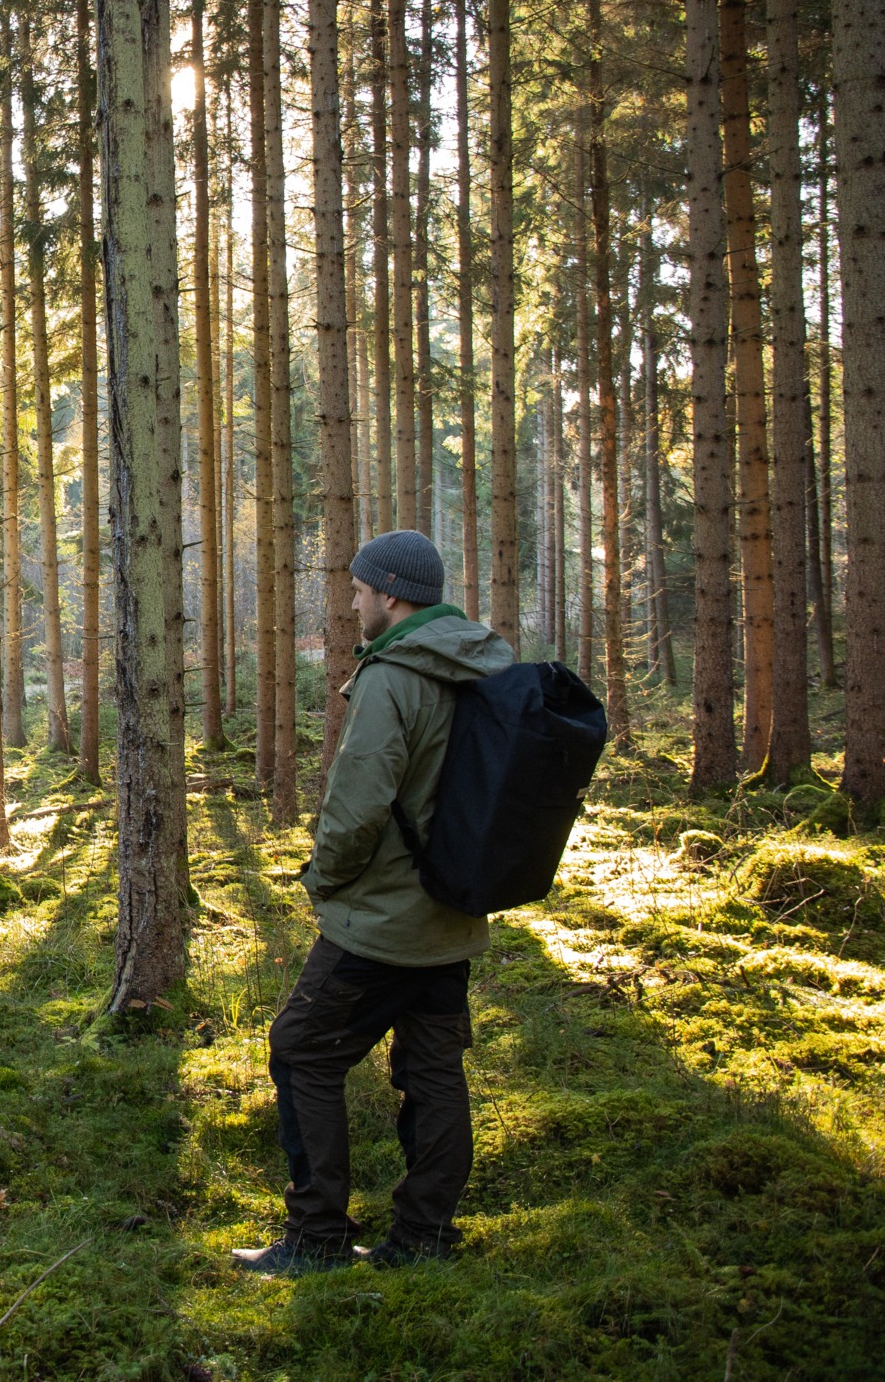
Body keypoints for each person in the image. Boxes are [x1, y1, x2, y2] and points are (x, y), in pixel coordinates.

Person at [231, 528, 512, 1276]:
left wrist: (323, 877)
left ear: (391, 592)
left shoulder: (395, 674)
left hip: (385, 919)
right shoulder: (476, 661)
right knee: (433, 1068)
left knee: (300, 1046)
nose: (353, 601)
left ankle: (318, 1236)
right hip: (453, 912)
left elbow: (356, 807)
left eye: (359, 589)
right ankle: (424, 1237)